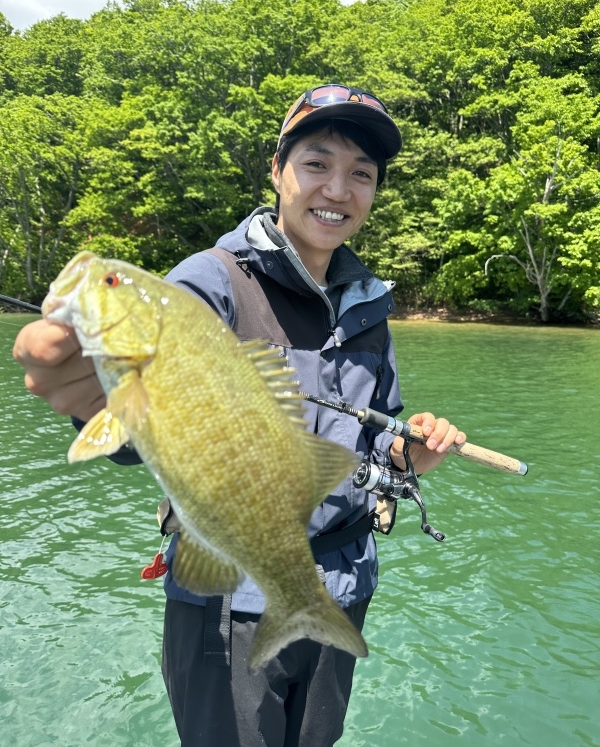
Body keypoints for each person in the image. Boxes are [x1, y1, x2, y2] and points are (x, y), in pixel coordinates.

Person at [13, 84, 465, 747]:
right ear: (277, 170)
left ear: (374, 192)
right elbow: (142, 436)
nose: (337, 189)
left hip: (341, 588)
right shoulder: (207, 282)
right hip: (228, 599)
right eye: (317, 164)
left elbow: (371, 436)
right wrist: (94, 405)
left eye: (361, 174)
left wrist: (406, 455)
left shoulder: (369, 303)